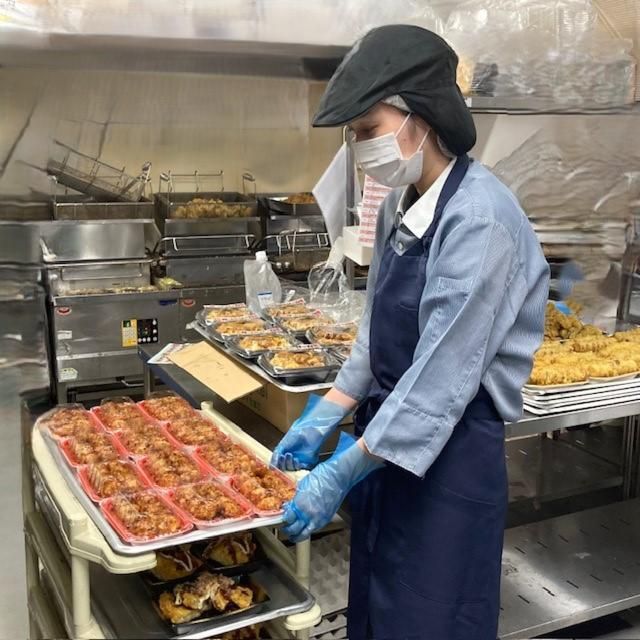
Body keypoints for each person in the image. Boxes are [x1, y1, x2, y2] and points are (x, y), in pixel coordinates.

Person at [271, 25, 549, 640]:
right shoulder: (404, 204)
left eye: (367, 129)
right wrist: (328, 410)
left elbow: (440, 381)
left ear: (420, 116)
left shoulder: (479, 219)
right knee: (379, 609)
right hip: (387, 447)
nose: (360, 147)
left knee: (431, 617)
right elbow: (376, 330)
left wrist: (341, 471)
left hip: (450, 460)